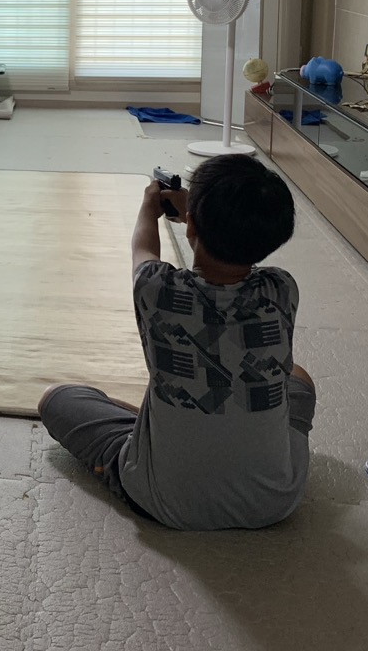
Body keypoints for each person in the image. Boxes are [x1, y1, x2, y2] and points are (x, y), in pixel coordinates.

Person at [39, 154, 314, 530]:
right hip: (272, 503)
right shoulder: (281, 288)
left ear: (191, 226)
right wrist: (200, 216)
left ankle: (146, 429)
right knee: (299, 378)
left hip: (164, 501)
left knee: (56, 399)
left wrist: (150, 208)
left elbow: (142, 250)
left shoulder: (157, 288)